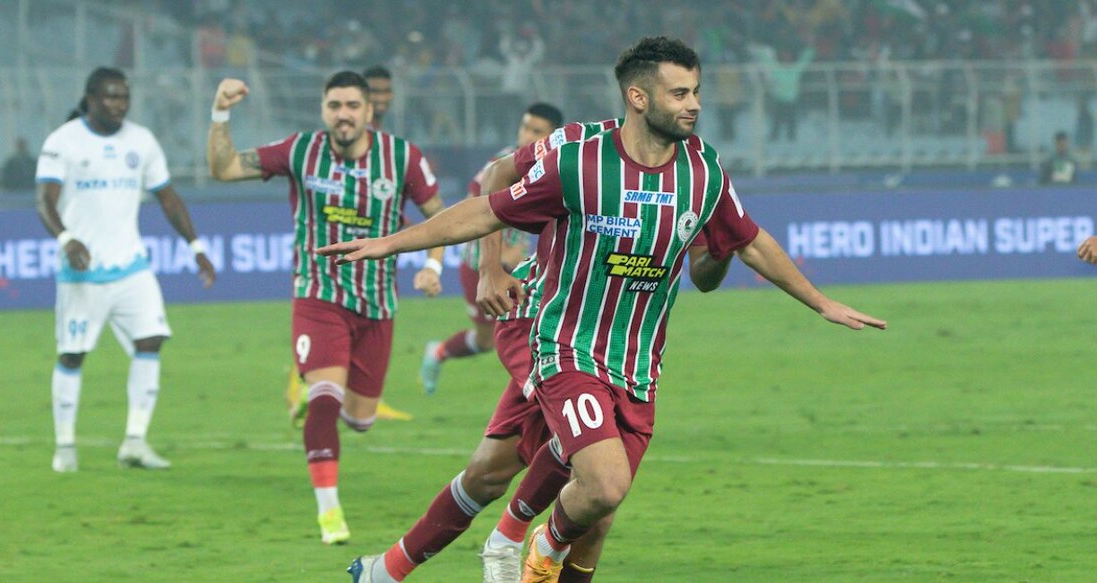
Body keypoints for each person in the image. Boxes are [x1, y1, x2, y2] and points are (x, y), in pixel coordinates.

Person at [322, 37, 886, 582]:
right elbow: (490, 200)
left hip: (637, 364)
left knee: (525, 483)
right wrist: (405, 246)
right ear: (638, 98)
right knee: (601, 484)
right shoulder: (576, 157)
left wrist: (818, 301)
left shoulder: (703, 170)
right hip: (557, 339)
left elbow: (742, 247)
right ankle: (517, 537)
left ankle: (387, 569)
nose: (695, 105)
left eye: (696, 92)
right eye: (681, 94)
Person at [206, 71, 446, 545]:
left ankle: (302, 381)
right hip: (318, 294)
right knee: (326, 400)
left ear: (368, 111)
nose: (343, 114)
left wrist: (433, 266)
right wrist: (220, 111)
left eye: (352, 105)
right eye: (334, 105)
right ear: (323, 109)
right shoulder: (300, 151)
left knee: (360, 420)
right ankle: (329, 512)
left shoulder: (402, 158)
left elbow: (441, 216)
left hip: (376, 303)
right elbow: (224, 168)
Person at [36, 66, 216, 473]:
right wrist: (66, 239)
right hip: (83, 272)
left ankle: (135, 441)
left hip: (132, 266)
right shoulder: (63, 142)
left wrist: (196, 246)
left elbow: (168, 199)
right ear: (90, 98)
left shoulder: (141, 140)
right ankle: (64, 446)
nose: (119, 104)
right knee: (72, 353)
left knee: (151, 340)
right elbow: (44, 201)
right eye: (110, 97)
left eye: (124, 97)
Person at [287, 64, 411, 423]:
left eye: (387, 92)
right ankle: (313, 388)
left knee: (360, 419)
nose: (383, 98)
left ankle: (323, 391)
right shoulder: (338, 140)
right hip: (324, 269)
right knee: (322, 354)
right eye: (378, 92)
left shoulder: (390, 148)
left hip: (373, 285)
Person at [419, 102, 562, 396]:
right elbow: (478, 209)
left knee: (531, 334)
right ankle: (440, 353)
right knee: (496, 339)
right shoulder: (502, 164)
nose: (526, 135)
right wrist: (502, 255)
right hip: (480, 265)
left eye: (536, 131)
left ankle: (541, 397)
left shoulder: (556, 163)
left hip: (518, 267)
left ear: (552, 135)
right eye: (525, 127)